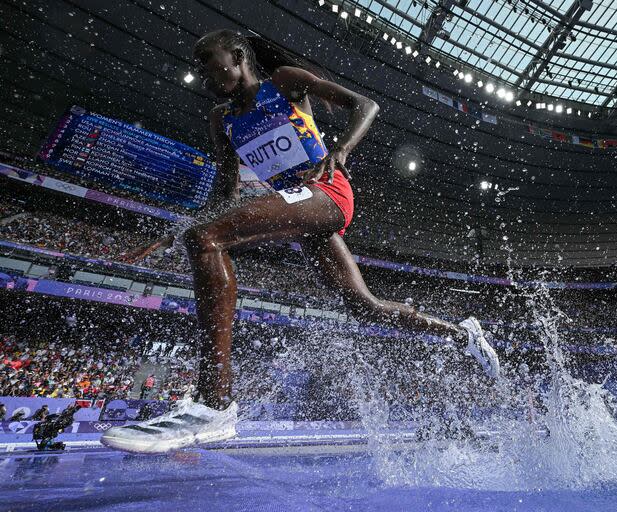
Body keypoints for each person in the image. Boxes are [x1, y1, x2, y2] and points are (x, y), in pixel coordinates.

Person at [101, 29, 499, 454]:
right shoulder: (223, 119)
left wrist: (341, 150)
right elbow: (224, 193)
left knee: (207, 239)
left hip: (327, 194)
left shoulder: (284, 83)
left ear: (237, 56)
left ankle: (214, 401)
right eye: (198, 68)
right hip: (298, 207)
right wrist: (177, 231)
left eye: (208, 62)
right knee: (365, 307)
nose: (202, 75)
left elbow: (366, 106)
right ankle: (461, 333)